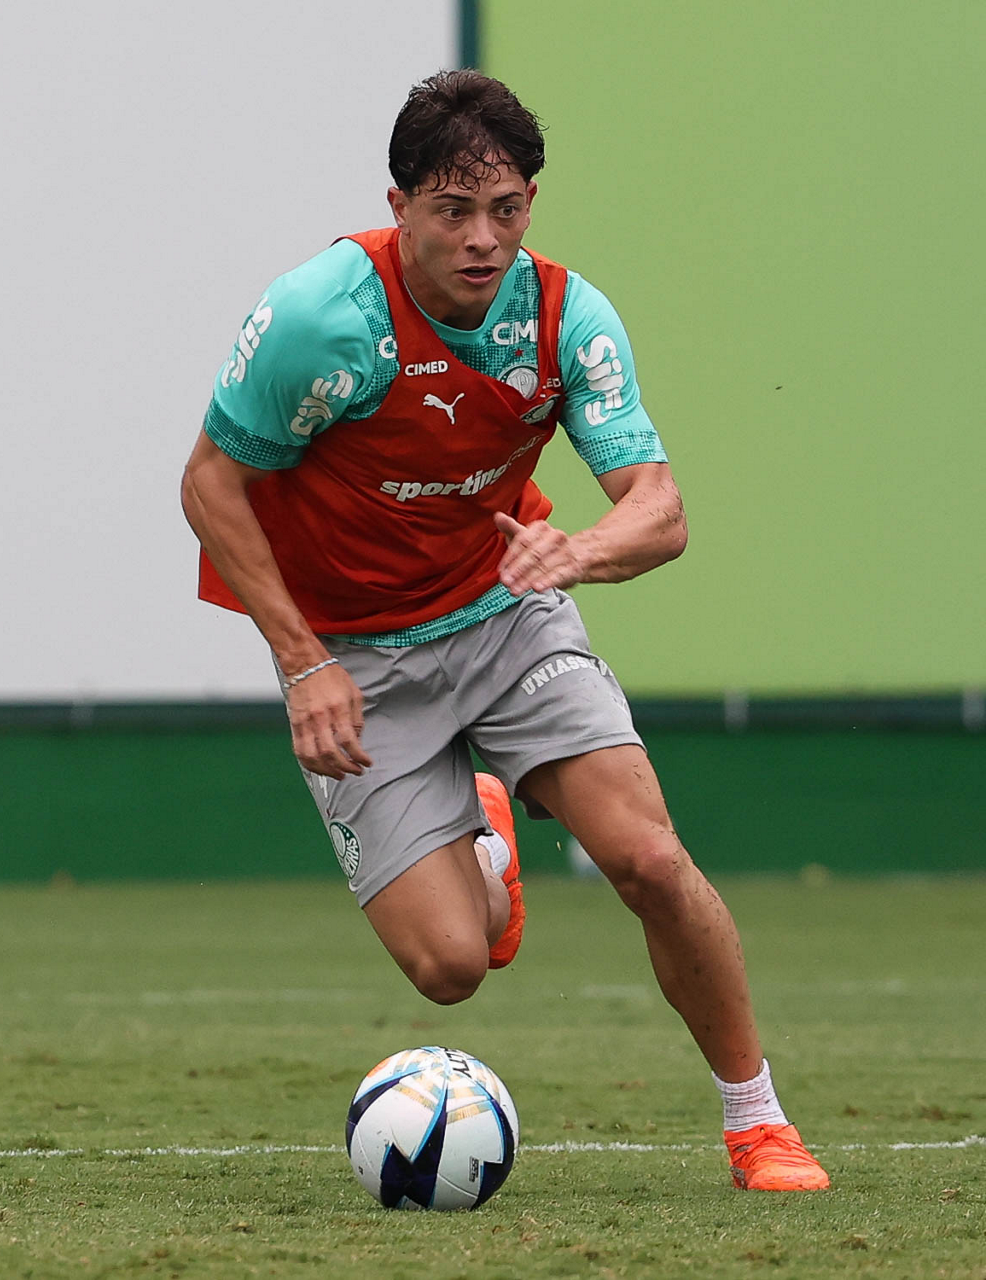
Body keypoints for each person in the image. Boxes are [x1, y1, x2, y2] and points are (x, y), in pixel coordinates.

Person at [181, 69, 829, 1192]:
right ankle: (485, 843)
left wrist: (576, 552)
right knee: (449, 967)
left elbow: (659, 509)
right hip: (352, 648)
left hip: (504, 611)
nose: (482, 239)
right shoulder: (321, 319)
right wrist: (302, 661)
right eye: (452, 210)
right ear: (399, 206)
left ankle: (757, 1123)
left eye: (506, 208)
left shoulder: (567, 317)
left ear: (531, 201)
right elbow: (209, 484)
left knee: (648, 857)